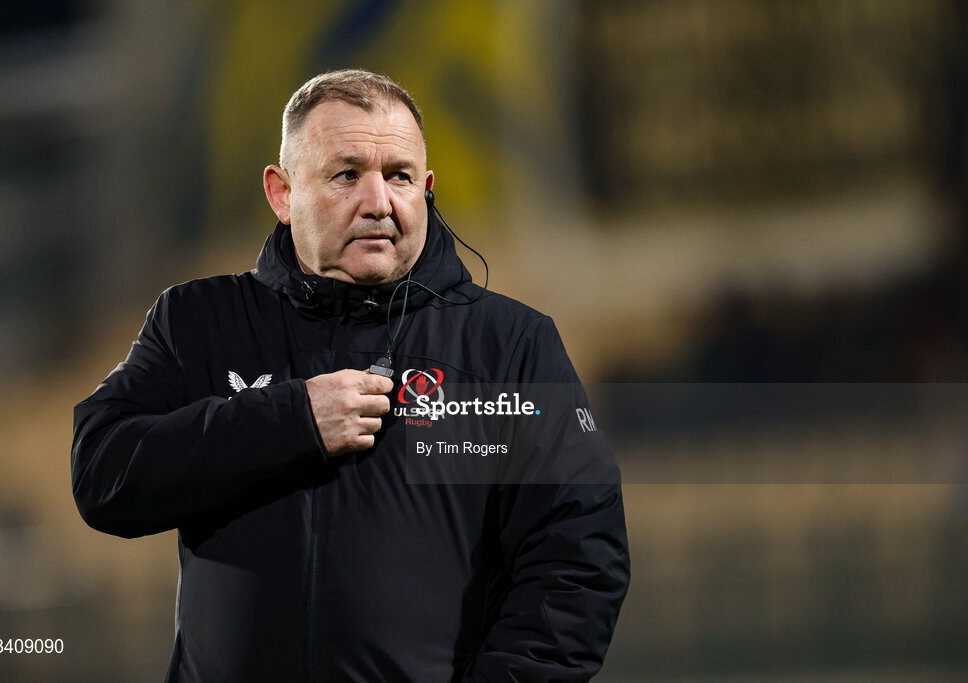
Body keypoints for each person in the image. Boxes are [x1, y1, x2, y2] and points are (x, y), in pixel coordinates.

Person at [72, 69, 629, 682]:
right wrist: (288, 420)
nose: (379, 202)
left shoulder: (506, 347)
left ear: (427, 190)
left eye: (399, 176)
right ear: (282, 195)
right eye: (346, 175)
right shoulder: (198, 322)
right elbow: (104, 475)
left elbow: (578, 562)